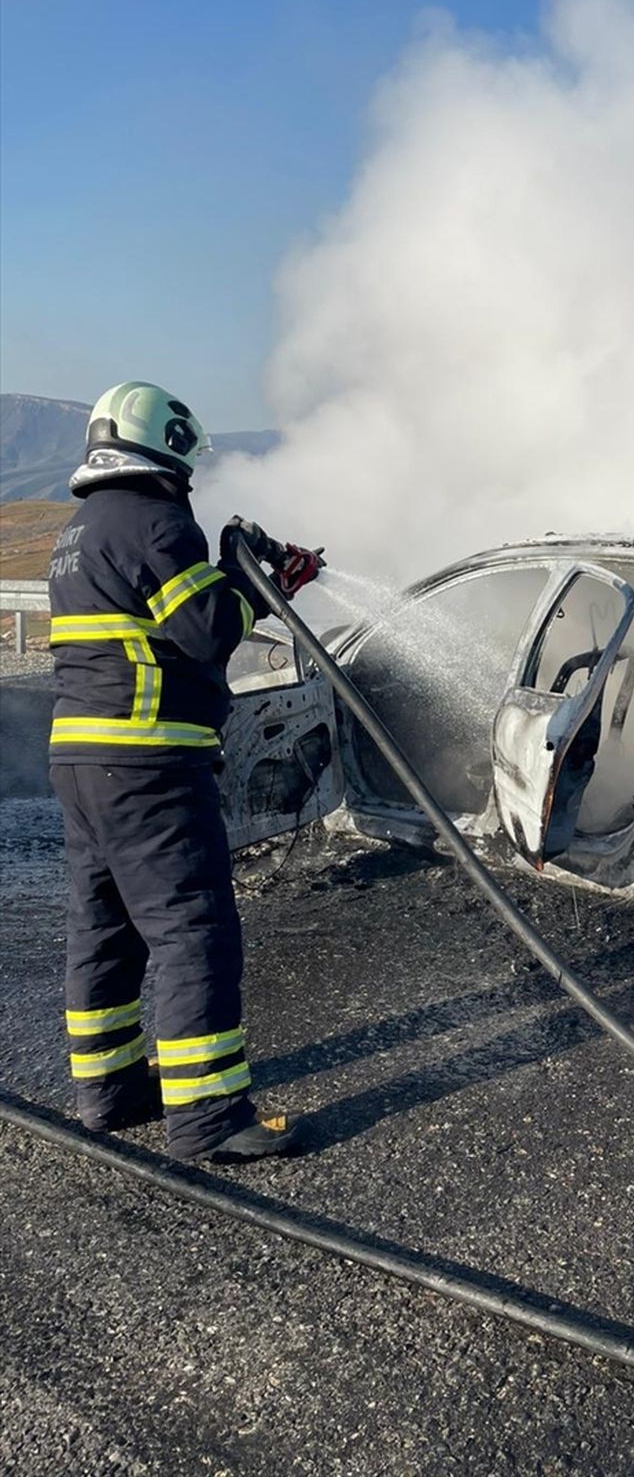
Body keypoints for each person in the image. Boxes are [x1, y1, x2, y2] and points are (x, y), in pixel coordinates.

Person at [47, 382, 323, 1162]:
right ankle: (209, 1118)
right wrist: (249, 577)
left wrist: (246, 577)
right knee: (191, 927)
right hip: (148, 762)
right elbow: (208, 631)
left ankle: (109, 1091)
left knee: (104, 929)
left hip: (82, 759)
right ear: (161, 448)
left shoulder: (81, 527)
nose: (190, 478)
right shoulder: (159, 521)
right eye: (186, 461)